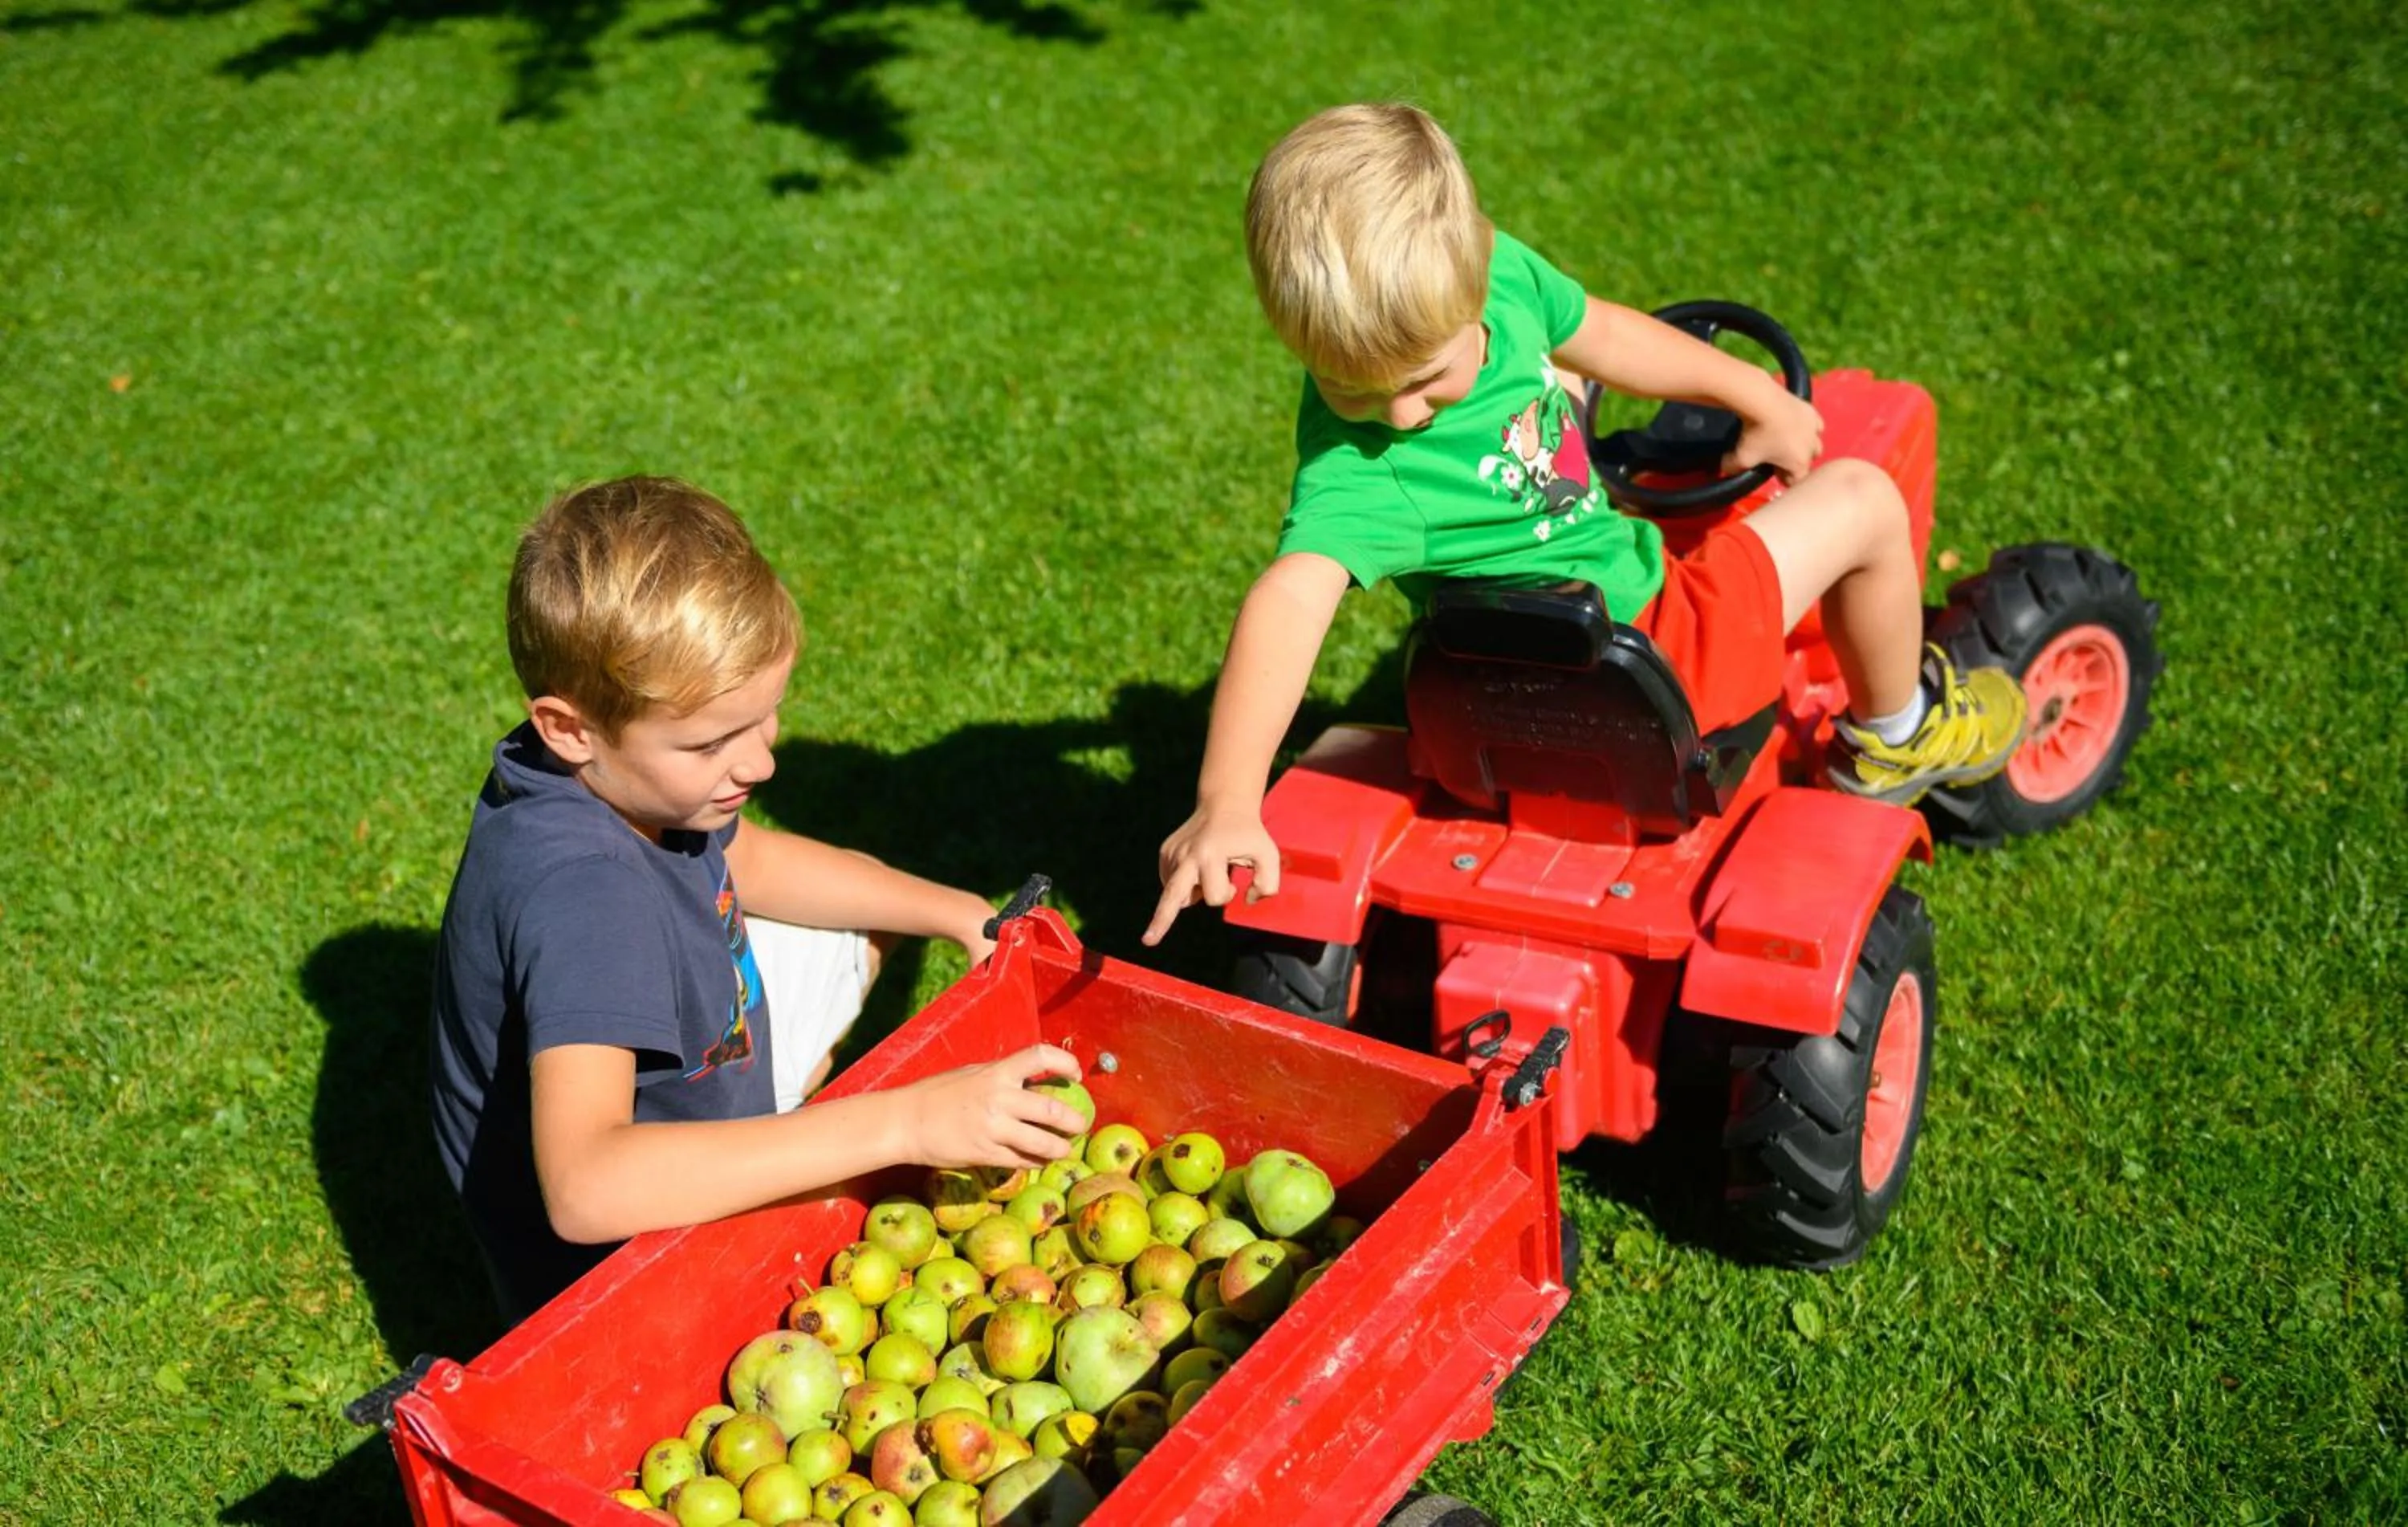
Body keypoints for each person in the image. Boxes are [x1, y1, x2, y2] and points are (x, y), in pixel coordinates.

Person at [1145, 103, 2028, 945]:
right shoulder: (1358, 470)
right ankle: (1896, 734)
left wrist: (1745, 394)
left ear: (1475, 266)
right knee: (1864, 498)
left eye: (1428, 377)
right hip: (1655, 649)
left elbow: (1597, 336)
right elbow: (1289, 598)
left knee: (1564, 385)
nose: (1402, 414)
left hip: (1487, 700)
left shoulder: (1488, 292)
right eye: (1353, 386)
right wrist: (1228, 799)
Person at [430, 475, 1084, 1326]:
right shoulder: (588, 896)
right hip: (619, 1281)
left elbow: (753, 859)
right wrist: (905, 1124)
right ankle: (779, 1140)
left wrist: (957, 910)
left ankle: (774, 1116)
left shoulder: (612, 779)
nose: (761, 766)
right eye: (711, 742)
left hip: (688, 1078)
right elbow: (587, 1189)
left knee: (864, 909)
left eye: (766, 718)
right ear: (570, 727)